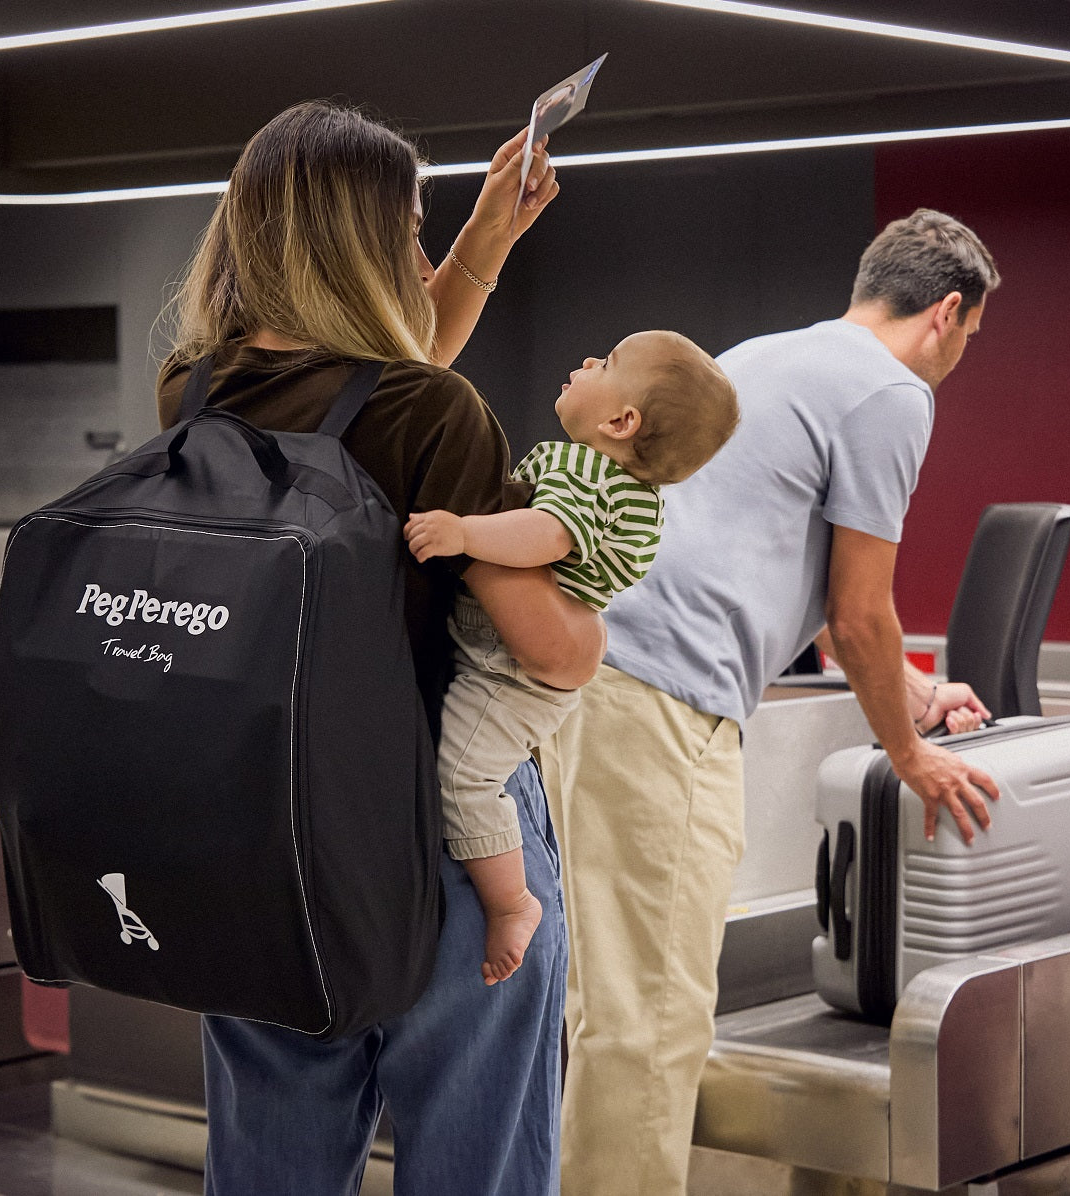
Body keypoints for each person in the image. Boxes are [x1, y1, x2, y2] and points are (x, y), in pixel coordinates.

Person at [156, 100, 605, 1195]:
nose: (417, 254)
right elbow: (551, 653)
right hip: (441, 849)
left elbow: (368, 394)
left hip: (258, 841)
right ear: (355, 246)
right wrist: (595, 603)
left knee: (270, 1164)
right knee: (476, 1163)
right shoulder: (437, 414)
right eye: (406, 230)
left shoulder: (195, 389)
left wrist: (480, 246)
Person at [537, 208, 1003, 1195]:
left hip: (596, 680)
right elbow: (859, 607)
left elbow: (818, 604)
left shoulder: (769, 357)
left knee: (617, 1011)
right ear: (949, 313)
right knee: (651, 1022)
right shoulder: (892, 392)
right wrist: (913, 756)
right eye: (971, 336)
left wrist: (917, 694)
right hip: (662, 700)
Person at [404, 330, 738, 985]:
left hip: (507, 675)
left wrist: (463, 533)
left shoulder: (597, 477)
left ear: (621, 421)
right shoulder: (607, 478)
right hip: (501, 659)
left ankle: (510, 905)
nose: (586, 360)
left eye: (607, 363)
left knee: (464, 780)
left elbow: (548, 536)